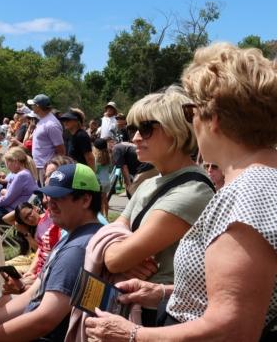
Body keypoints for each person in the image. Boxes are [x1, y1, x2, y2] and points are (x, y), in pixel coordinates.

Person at [85, 43, 277, 341]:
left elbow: (233, 328)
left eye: (191, 111)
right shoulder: (258, 183)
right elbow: (238, 296)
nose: (190, 122)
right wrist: (162, 292)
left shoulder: (250, 193)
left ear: (214, 118)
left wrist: (132, 334)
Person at [102, 85, 215, 326]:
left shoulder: (193, 191)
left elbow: (114, 258)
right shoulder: (148, 183)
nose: (135, 138)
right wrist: (120, 254)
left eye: (146, 129)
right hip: (135, 301)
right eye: (134, 129)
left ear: (176, 131)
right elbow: (112, 235)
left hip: (163, 313)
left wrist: (120, 257)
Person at [0, 163, 103, 342]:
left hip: (41, 336)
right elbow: (31, 294)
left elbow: (45, 320)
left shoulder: (77, 249)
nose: (48, 202)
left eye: (59, 196)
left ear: (85, 200)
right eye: (48, 196)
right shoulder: (73, 236)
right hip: (34, 327)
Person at [27, 94, 66, 185]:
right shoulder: (43, 120)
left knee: (46, 196)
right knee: (41, 194)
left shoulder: (51, 124)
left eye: (33, 105)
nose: (32, 107)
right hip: (39, 166)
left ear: (38, 106)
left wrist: (52, 167)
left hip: (46, 168)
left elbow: (61, 150)